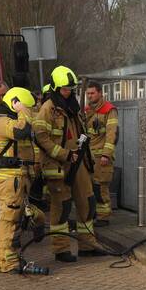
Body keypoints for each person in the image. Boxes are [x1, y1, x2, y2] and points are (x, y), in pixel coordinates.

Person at [32, 66, 100, 262]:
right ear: (55, 88)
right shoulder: (48, 109)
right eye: (64, 89)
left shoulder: (73, 107)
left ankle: (88, 245)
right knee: (62, 208)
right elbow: (41, 138)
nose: (68, 92)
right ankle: (61, 249)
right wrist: (63, 154)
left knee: (87, 203)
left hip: (79, 163)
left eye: (71, 89)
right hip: (59, 166)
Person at [0, 87, 41, 273]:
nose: (28, 110)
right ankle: (6, 262)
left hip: (17, 178)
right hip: (8, 179)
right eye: (25, 106)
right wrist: (23, 110)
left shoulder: (10, 119)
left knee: (15, 219)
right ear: (14, 103)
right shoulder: (1, 121)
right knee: (8, 220)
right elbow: (21, 132)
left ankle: (9, 258)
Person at [83, 81, 119, 225]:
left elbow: (112, 134)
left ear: (100, 93)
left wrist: (106, 154)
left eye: (92, 93)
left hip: (101, 157)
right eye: (88, 94)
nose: (89, 96)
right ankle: (93, 214)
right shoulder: (86, 110)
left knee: (100, 187)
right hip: (88, 156)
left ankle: (103, 217)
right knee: (89, 187)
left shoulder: (109, 110)